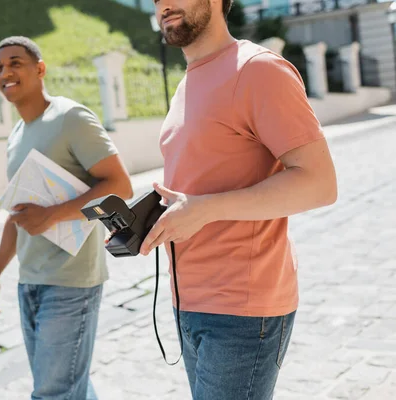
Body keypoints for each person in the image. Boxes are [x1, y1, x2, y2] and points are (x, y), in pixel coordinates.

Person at [138, 0, 338, 399]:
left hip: (243, 310)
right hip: (189, 302)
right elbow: (206, 181)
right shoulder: (186, 83)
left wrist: (205, 210)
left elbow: (320, 184)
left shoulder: (258, 70)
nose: (164, 5)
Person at [0, 36, 133, 400]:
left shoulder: (69, 117)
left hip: (71, 281)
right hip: (29, 281)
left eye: (15, 62)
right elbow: (16, 213)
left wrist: (52, 215)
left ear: (40, 69)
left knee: (53, 392)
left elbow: (120, 186)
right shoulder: (16, 136)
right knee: (68, 387)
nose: (6, 72)